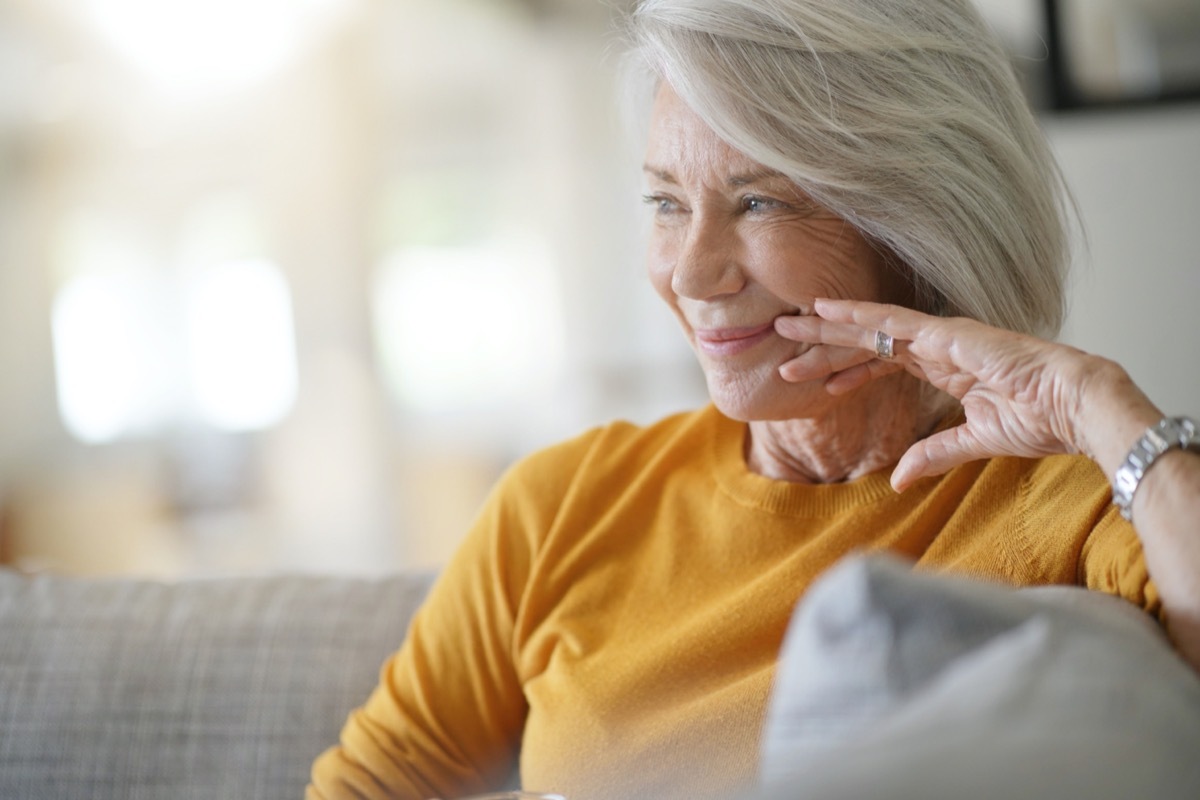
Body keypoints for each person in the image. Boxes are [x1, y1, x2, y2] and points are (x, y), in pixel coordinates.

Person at [307, 1, 1200, 798]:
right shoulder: (560, 503)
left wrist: (1095, 401)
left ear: (919, 228)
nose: (690, 272)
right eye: (665, 201)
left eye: (760, 203)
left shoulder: (1081, 501)